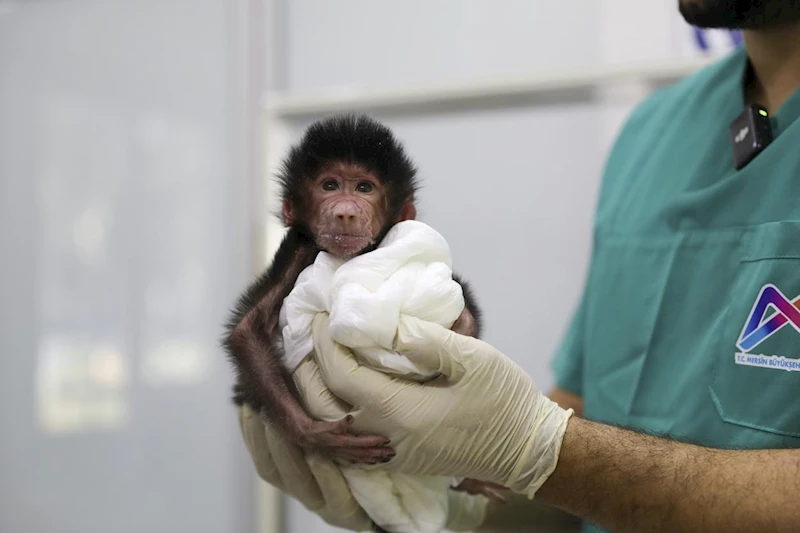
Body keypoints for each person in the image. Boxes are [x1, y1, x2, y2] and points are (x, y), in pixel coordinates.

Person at [238, 1, 800, 531]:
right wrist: (446, 508)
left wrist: (537, 449)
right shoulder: (653, 135)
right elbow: (586, 425)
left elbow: (561, 455)